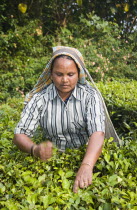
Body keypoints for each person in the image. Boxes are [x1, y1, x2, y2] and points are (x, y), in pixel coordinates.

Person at [13, 46, 120, 193]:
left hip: (86, 154)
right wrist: (34, 149)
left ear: (79, 74)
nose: (64, 80)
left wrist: (86, 166)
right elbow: (20, 134)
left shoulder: (90, 96)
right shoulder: (40, 98)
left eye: (70, 74)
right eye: (59, 74)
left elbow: (97, 132)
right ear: (51, 74)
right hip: (53, 159)